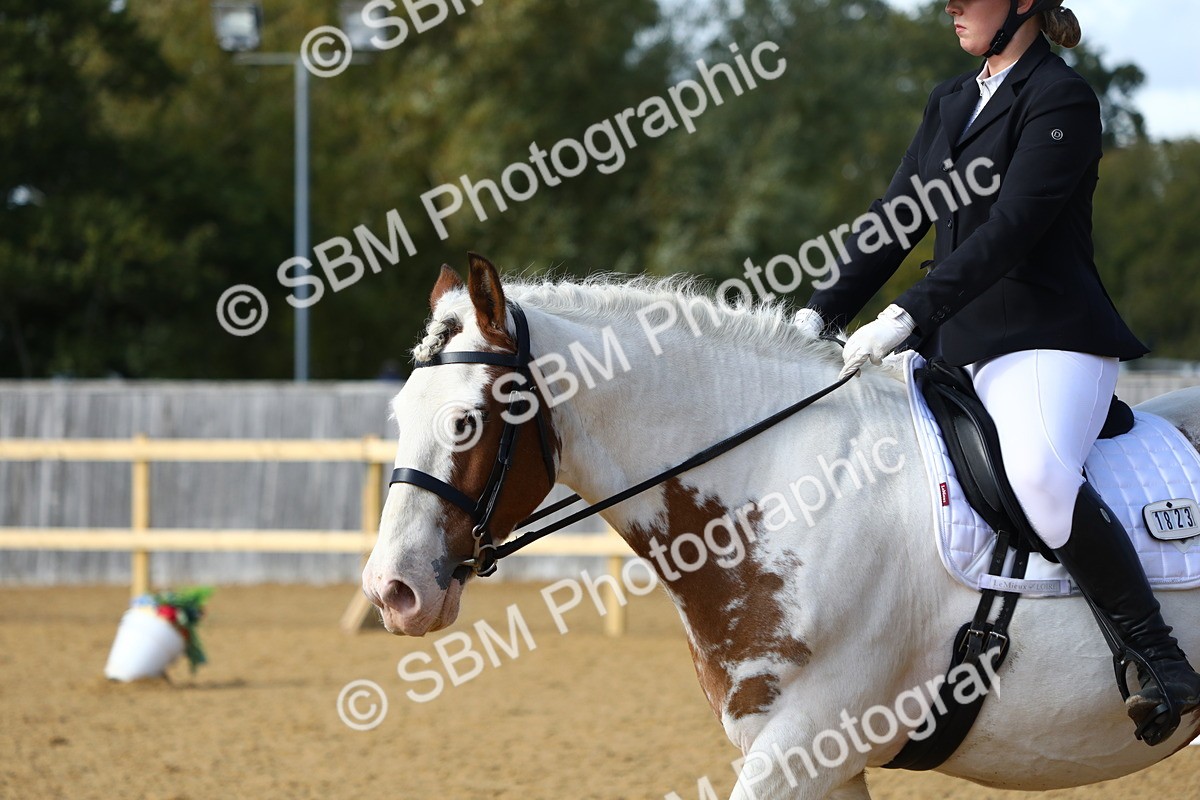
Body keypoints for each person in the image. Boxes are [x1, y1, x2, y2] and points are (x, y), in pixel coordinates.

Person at [796, 0, 1200, 745]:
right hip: (956, 342)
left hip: (1048, 338)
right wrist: (814, 317)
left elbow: (1015, 229)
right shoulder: (950, 99)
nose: (949, 5)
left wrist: (907, 312)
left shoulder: (1062, 98)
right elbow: (895, 217)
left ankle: (1162, 660)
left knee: (1041, 480)